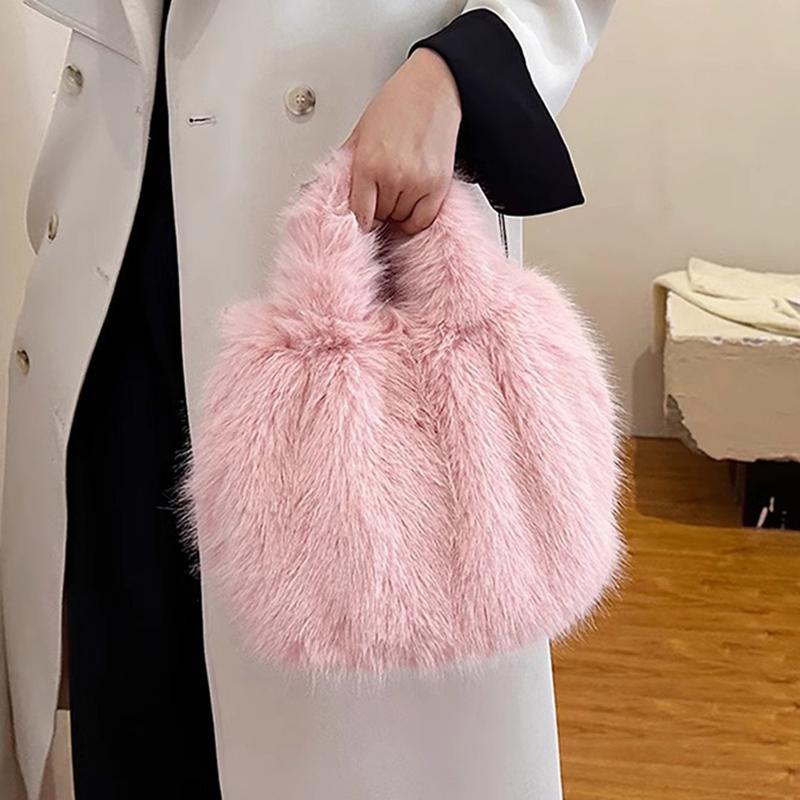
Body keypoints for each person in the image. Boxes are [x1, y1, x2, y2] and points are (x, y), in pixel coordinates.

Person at [1, 1, 614, 798]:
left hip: (357, 183)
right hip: (123, 218)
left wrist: (457, 70)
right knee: (137, 679)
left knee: (335, 730)